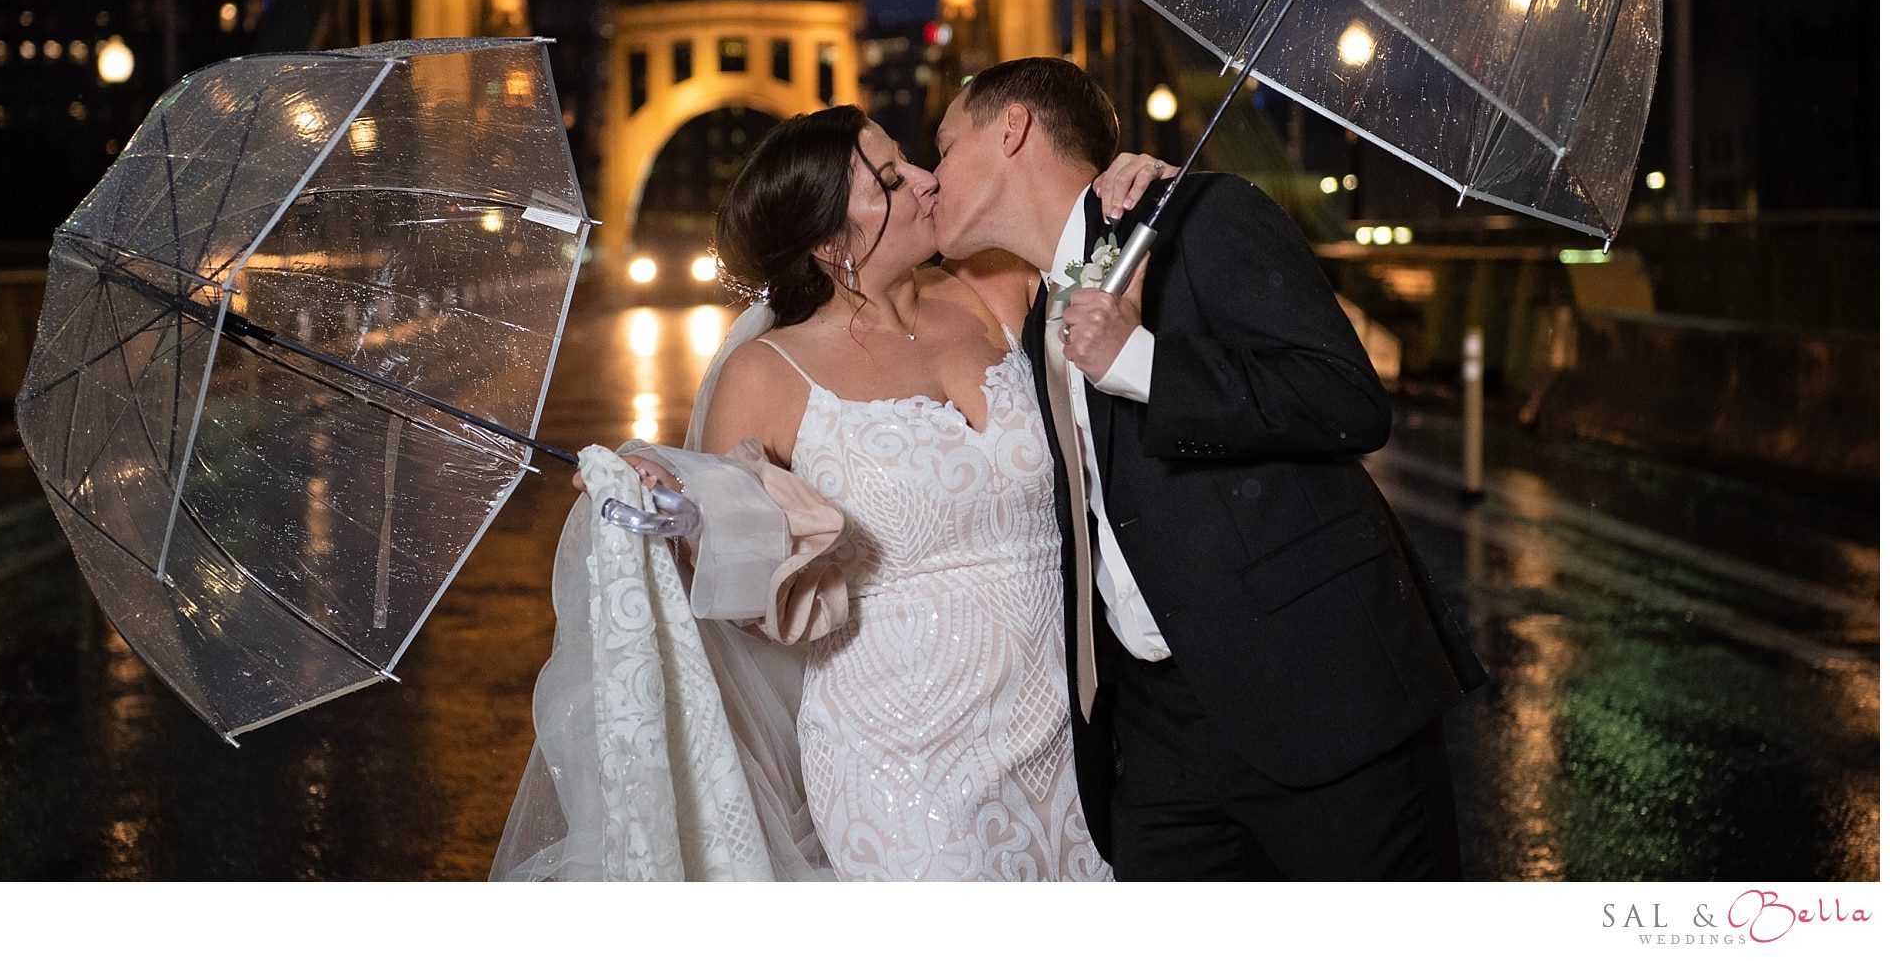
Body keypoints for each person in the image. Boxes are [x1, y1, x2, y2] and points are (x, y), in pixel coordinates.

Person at [493, 105, 1170, 882]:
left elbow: (1105, 272)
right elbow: (738, 563)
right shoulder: (768, 374)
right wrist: (676, 504)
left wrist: (1130, 192)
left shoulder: (994, 287)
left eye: (908, 160)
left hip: (1073, 735)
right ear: (828, 242)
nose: (924, 179)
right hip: (899, 757)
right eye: (888, 179)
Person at [927, 57, 1487, 882]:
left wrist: (1143, 362)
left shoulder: (1205, 217)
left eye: (943, 149)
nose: (933, 177)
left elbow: (1348, 400)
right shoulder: (1048, 303)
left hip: (1319, 696)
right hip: (1156, 735)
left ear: (1012, 129)